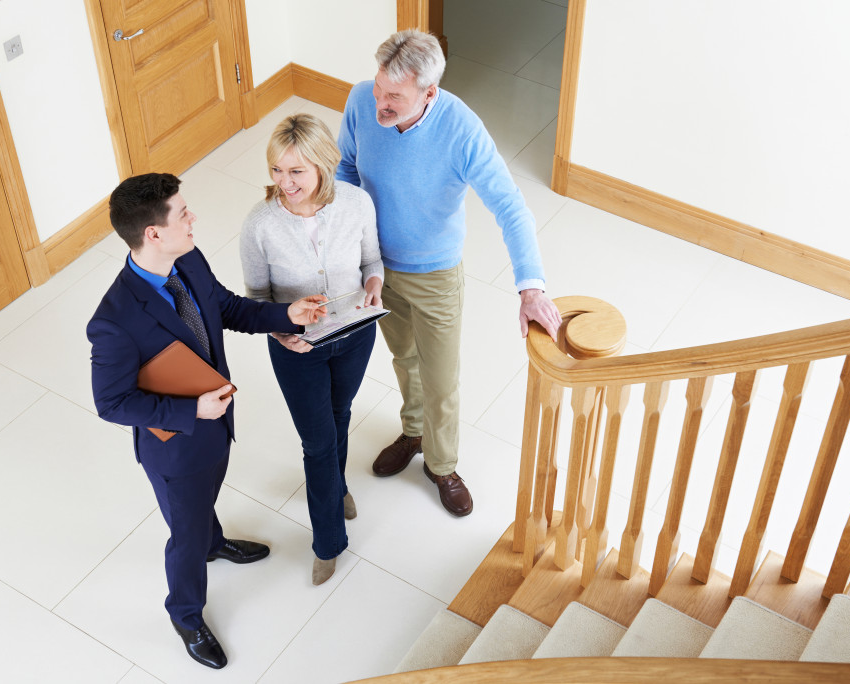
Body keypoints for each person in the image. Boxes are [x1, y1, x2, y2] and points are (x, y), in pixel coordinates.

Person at [87, 173, 327, 670]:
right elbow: (111, 403)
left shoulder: (188, 259)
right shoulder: (112, 320)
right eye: (182, 213)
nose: (193, 217)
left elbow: (226, 308)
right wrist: (191, 411)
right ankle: (186, 614)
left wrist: (288, 315)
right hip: (176, 448)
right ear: (152, 233)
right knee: (186, 535)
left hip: (216, 427)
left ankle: (215, 543)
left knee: (203, 509)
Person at [336, 29, 562, 517]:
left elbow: (510, 207)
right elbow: (346, 170)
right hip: (376, 267)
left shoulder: (461, 130)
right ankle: (412, 431)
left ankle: (442, 465)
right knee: (403, 358)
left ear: (429, 93)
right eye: (379, 89)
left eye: (394, 96)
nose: (380, 103)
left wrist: (530, 287)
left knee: (441, 379)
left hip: (435, 274)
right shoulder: (360, 100)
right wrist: (343, 247)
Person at [240, 114, 383, 585]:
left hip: (354, 334)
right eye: (277, 171)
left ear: (323, 164)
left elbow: (371, 261)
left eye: (296, 172)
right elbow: (258, 299)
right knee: (317, 442)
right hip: (296, 347)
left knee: (340, 413)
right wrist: (281, 331)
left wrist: (375, 284)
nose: (284, 183)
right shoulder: (260, 224)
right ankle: (327, 542)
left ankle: (338, 485)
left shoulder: (357, 204)